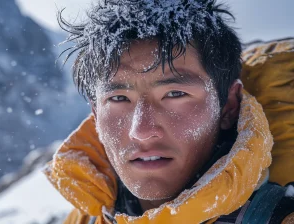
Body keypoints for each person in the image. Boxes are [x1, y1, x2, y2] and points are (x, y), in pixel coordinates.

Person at [44, 0, 294, 223]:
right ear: (96, 115)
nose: (141, 131)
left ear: (229, 106)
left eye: (175, 94)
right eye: (118, 98)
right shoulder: (88, 213)